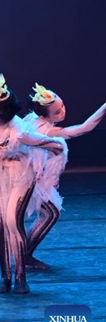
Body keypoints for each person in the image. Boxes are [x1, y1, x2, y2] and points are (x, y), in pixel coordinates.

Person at [0, 75, 64, 294]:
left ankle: (20, 277)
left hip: (21, 175)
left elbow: (56, 146)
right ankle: (5, 277)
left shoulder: (21, 132)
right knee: (0, 225)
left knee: (13, 222)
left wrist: (45, 167)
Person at [22, 84, 106, 269]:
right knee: (51, 213)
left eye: (62, 107)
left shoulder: (32, 119)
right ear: (44, 116)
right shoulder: (46, 131)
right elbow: (84, 128)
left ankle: (24, 252)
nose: (63, 113)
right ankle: (24, 255)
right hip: (31, 182)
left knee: (49, 214)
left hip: (34, 180)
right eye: (57, 112)